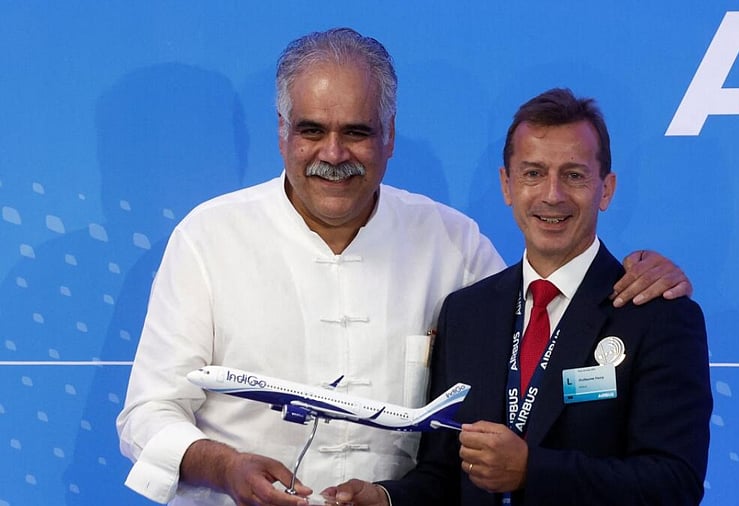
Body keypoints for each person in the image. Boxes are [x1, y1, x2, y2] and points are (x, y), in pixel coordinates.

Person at [116, 29, 692, 506]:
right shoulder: (208, 238)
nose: (333, 154)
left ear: (390, 137)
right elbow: (146, 414)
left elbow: (550, 312)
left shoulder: (452, 243)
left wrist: (636, 271)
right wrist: (225, 469)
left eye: (358, 132)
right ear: (282, 135)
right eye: (312, 129)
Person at [331, 88, 712, 505]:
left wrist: (532, 469)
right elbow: (444, 473)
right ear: (507, 185)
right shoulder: (466, 313)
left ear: (606, 189)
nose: (552, 195)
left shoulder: (658, 317)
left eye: (574, 175)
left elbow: (675, 483)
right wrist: (385, 499)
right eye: (533, 173)